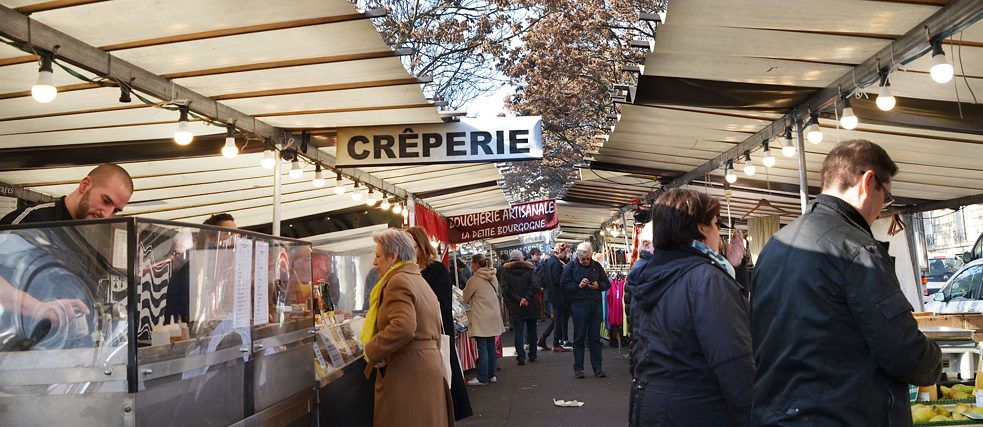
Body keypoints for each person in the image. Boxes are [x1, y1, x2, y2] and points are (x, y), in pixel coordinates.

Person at [751, 140, 941, 426]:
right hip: (842, 416)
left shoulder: (774, 246)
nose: (882, 209)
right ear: (868, 182)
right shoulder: (857, 249)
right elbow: (904, 353)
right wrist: (935, 359)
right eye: (886, 197)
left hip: (774, 414)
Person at [627, 189, 754, 426]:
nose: (718, 233)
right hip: (701, 411)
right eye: (715, 224)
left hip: (650, 406)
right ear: (701, 227)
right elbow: (735, 365)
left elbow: (638, 354)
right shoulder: (707, 281)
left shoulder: (646, 275)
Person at [361, 228, 452, 427]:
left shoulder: (397, 281)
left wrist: (372, 349)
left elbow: (403, 326)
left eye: (378, 256)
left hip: (408, 373)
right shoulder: (417, 278)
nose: (375, 262)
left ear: (393, 256)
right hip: (424, 367)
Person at [406, 227, 473, 420]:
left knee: (443, 377)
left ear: (422, 246)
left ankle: (446, 414)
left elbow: (441, 305)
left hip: (436, 333)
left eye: (413, 247)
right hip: (418, 337)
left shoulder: (436, 269)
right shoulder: (406, 272)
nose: (409, 251)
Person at [1, 163, 133, 224]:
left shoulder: (95, 242)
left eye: (115, 210)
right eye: (106, 201)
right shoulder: (31, 220)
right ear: (85, 185)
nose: (106, 214)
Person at [560, 242, 611, 379]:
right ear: (577, 255)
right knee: (579, 337)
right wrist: (578, 285)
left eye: (588, 258)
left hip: (595, 305)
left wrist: (598, 286)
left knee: (595, 338)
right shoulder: (570, 267)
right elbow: (563, 286)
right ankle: (578, 368)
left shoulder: (597, 266)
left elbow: (607, 284)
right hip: (578, 305)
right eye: (583, 259)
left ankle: (598, 368)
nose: (586, 261)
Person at [462, 253, 504, 385]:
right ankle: (492, 375)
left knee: (482, 347)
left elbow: (465, 297)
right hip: (493, 315)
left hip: (481, 316)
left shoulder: (474, 279)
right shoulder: (492, 276)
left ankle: (482, 377)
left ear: (475, 264)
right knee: (491, 346)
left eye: (472, 263)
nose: (471, 266)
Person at [500, 249, 541, 365]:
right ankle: (533, 354)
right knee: (532, 330)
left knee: (519, 331)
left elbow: (506, 289)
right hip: (531, 304)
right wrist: (526, 298)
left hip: (515, 305)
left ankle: (521, 357)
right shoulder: (530, 269)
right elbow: (535, 285)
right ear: (521, 258)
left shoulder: (505, 271)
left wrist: (519, 299)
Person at [537, 242, 571, 352]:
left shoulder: (550, 261)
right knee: (558, 319)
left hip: (552, 294)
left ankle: (543, 339)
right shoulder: (556, 263)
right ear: (560, 251)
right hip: (558, 295)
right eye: (565, 252)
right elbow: (558, 280)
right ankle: (555, 344)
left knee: (556, 318)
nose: (566, 254)